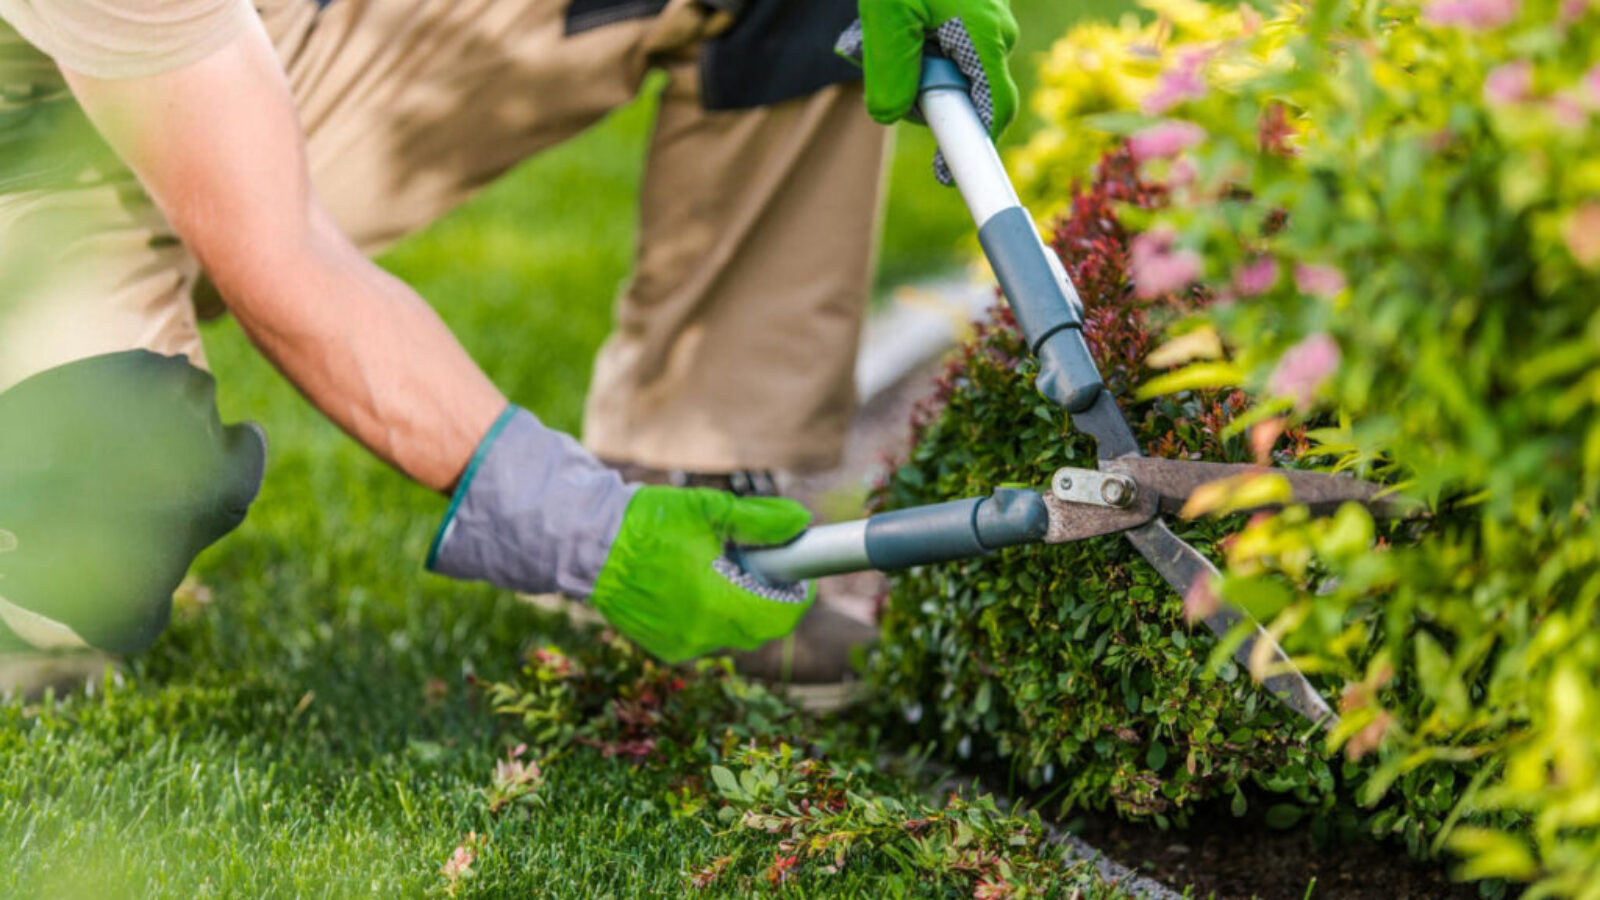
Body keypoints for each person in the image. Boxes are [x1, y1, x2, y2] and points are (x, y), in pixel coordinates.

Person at [0, 0, 1019, 698]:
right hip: (38, 169)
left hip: (258, 44)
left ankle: (699, 481)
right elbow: (283, 259)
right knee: (107, 522)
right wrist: (582, 532)